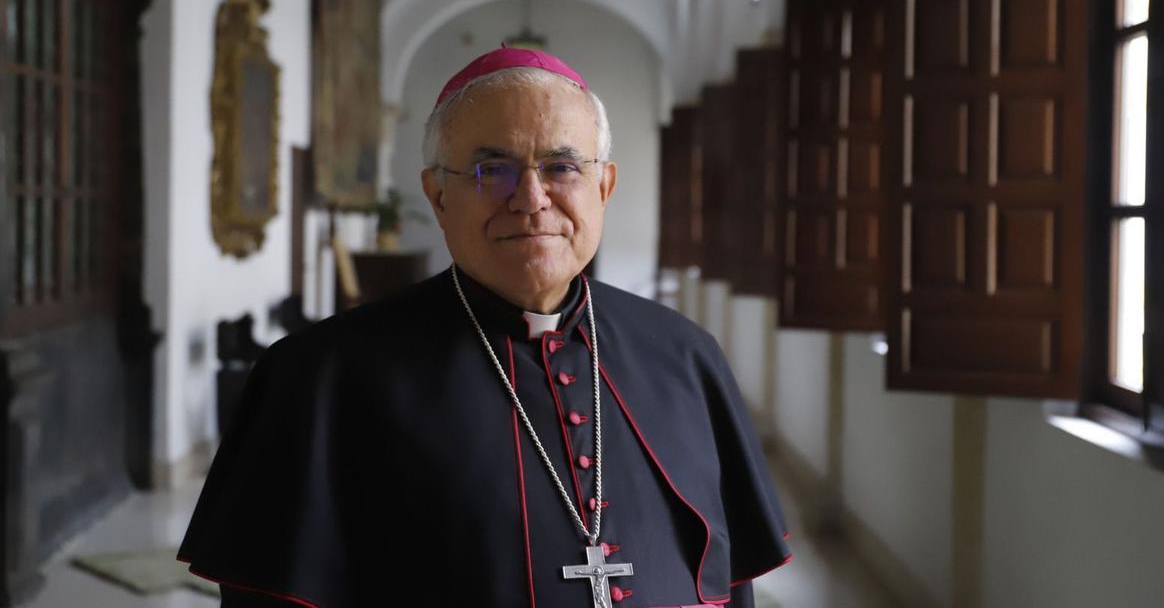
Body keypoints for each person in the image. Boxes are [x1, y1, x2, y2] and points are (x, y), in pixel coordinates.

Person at [178, 47, 792, 607]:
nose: (530, 198)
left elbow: (731, 588)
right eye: (491, 170)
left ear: (603, 186)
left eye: (561, 167)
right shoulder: (317, 379)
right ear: (438, 196)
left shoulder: (687, 358)